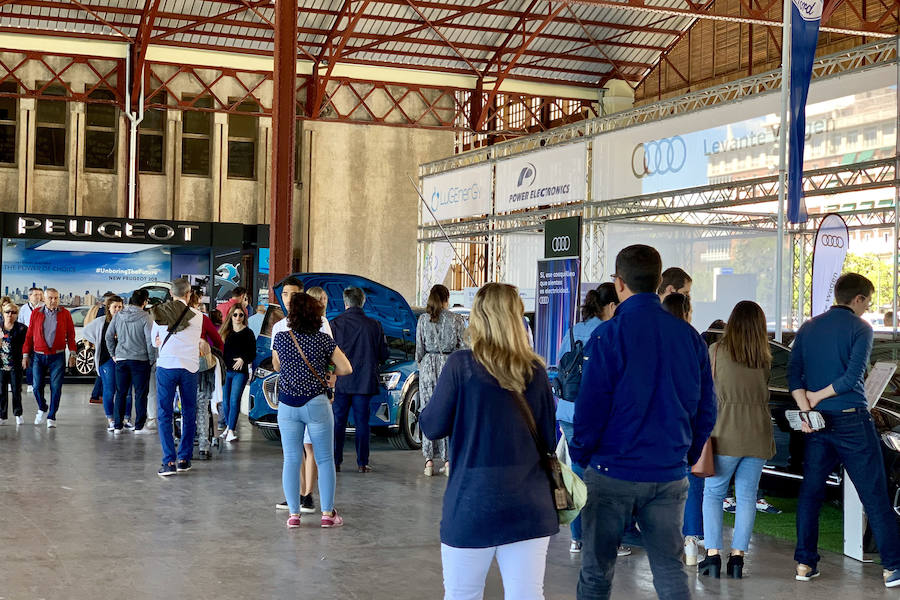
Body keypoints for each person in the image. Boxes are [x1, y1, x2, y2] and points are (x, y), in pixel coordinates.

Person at [572, 245, 716, 600]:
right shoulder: (689, 338)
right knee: (670, 570)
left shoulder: (608, 336)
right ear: (657, 282)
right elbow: (706, 409)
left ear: (619, 283)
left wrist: (581, 455)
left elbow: (589, 410)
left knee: (596, 573)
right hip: (668, 473)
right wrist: (685, 454)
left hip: (611, 471)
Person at [420, 283, 558, 600]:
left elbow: (432, 426)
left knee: (462, 594)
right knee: (527, 595)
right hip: (529, 504)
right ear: (516, 318)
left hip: (472, 502)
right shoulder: (535, 370)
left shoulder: (460, 366)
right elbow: (549, 438)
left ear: (477, 318)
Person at [789, 273, 900, 587]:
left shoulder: (808, 327)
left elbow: (794, 374)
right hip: (852, 419)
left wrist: (807, 405)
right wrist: (820, 396)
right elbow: (853, 378)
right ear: (860, 299)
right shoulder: (861, 328)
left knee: (810, 494)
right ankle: (892, 567)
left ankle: (804, 564)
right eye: (868, 301)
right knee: (875, 494)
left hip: (815, 421)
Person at [698, 301, 775, 579]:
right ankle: (738, 559)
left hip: (724, 433)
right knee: (746, 497)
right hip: (758, 434)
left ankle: (713, 555)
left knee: (714, 494)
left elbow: (705, 391)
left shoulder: (715, 351)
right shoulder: (764, 358)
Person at [272, 292, 352, 528]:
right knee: (325, 459)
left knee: (291, 459)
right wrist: (329, 372)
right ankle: (327, 514)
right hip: (316, 403)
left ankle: (294, 515)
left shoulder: (282, 338)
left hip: (288, 405)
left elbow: (277, 366)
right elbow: (346, 368)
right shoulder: (324, 340)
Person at [556, 284, 624, 555]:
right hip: (599, 415)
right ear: (610, 307)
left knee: (577, 474)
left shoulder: (572, 331)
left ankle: (577, 538)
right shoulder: (609, 332)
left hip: (568, 412)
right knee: (604, 478)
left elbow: (559, 367)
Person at [662, 291, 704, 565]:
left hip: (658, 423)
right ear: (687, 313)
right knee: (693, 481)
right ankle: (690, 543)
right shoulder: (695, 341)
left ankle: (664, 542)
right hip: (688, 421)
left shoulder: (654, 340)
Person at [331, 286, 389, 473]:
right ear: (363, 302)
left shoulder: (335, 324)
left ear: (345, 302)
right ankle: (362, 463)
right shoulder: (375, 325)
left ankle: (335, 461)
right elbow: (383, 355)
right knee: (362, 422)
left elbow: (328, 354)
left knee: (338, 422)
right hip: (364, 382)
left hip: (341, 381)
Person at [151, 278, 203, 477]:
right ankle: (184, 459)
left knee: (164, 413)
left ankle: (169, 462)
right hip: (189, 368)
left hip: (166, 366)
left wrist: (160, 340)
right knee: (189, 412)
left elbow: (154, 342)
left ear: (171, 294)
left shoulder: (159, 313)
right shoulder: (198, 316)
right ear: (189, 294)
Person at [416, 284, 465, 477]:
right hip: (449, 366)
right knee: (449, 411)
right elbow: (462, 347)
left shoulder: (422, 319)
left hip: (428, 366)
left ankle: (428, 461)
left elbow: (419, 350)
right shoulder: (456, 320)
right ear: (446, 299)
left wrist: (424, 365)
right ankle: (448, 460)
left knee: (428, 411)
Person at [23, 288, 77, 427]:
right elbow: (29, 336)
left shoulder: (65, 314)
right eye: (51, 298)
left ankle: (51, 416)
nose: (53, 301)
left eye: (56, 298)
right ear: (44, 299)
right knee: (36, 387)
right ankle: (42, 407)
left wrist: (73, 353)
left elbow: (71, 335)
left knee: (56, 387)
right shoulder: (36, 313)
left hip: (57, 356)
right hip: (38, 356)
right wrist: (25, 355)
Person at [106, 289, 155, 434]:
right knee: (140, 393)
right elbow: (149, 341)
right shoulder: (146, 317)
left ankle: (117, 426)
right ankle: (139, 426)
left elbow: (108, 336)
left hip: (121, 360)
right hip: (141, 361)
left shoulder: (119, 316)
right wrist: (151, 359)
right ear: (145, 302)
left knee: (120, 392)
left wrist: (114, 354)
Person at [85, 295, 125, 431]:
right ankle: (111, 419)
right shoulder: (101, 321)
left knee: (123, 390)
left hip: (122, 360)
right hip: (106, 360)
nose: (118, 309)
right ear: (109, 307)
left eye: (120, 306)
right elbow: (86, 331)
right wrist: (96, 341)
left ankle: (123, 418)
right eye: (115, 307)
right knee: (109, 389)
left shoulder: (125, 321)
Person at [192, 292, 223, 458]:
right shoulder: (201, 319)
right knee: (202, 405)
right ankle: (203, 445)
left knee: (184, 407)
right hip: (201, 367)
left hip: (178, 367)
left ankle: (185, 444)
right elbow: (218, 341)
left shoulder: (172, 318)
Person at [219, 303, 256, 443]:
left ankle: (231, 430)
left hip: (240, 372)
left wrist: (243, 359)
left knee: (234, 400)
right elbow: (218, 349)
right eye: (235, 314)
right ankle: (228, 426)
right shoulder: (225, 332)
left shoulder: (248, 333)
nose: (238, 317)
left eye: (241, 315)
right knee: (226, 402)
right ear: (231, 316)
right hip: (226, 370)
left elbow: (253, 352)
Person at [0, 299, 27, 425]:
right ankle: (2, 416)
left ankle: (18, 414)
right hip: (1, 366)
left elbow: (27, 346)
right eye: (7, 312)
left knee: (16, 391)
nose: (10, 314)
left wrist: (25, 358)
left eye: (13, 312)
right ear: (3, 313)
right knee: (1, 392)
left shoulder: (21, 329)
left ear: (17, 314)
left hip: (15, 365)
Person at [18, 287, 42, 390]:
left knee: (39, 362)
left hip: (40, 339)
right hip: (27, 339)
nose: (38, 297)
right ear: (29, 296)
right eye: (36, 295)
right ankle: (30, 384)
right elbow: (20, 323)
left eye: (40, 295)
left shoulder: (43, 307)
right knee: (28, 361)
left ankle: (38, 383)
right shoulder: (24, 308)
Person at [270, 277, 305, 346]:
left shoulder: (320, 322)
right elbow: (275, 356)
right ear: (281, 296)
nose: (289, 299)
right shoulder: (278, 327)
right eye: (285, 294)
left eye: (294, 295)